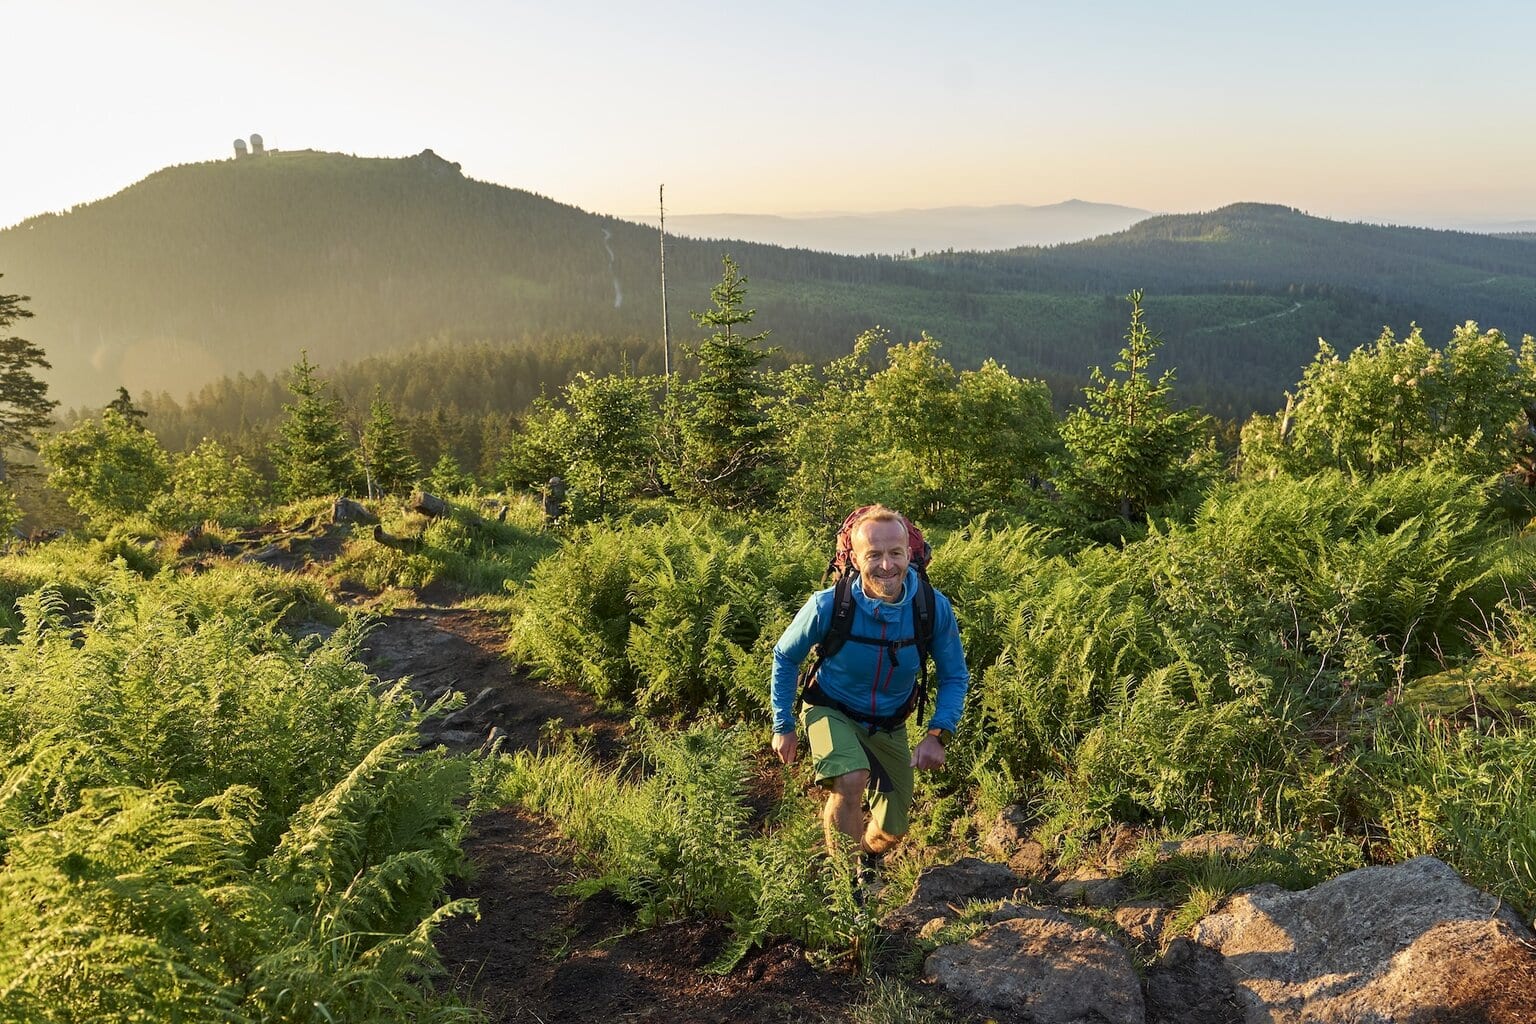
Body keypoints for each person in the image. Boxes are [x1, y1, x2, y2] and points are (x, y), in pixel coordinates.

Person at [770, 505, 969, 868]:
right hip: (831, 706)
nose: (887, 565)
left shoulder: (931, 609)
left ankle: (864, 857)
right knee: (851, 777)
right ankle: (846, 888)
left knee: (894, 828)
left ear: (909, 553)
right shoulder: (829, 605)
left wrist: (938, 734)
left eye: (895, 553)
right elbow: (785, 656)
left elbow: (955, 675)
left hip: (890, 723)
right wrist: (783, 725)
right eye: (873, 555)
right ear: (855, 559)